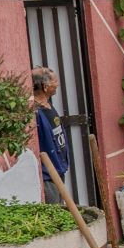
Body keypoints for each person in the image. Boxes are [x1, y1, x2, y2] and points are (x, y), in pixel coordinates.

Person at [32, 67, 69, 203]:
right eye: (55, 81)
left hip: (58, 166)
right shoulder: (35, 111)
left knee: (62, 206)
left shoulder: (47, 104)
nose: (57, 84)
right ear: (44, 86)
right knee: (54, 210)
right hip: (48, 172)